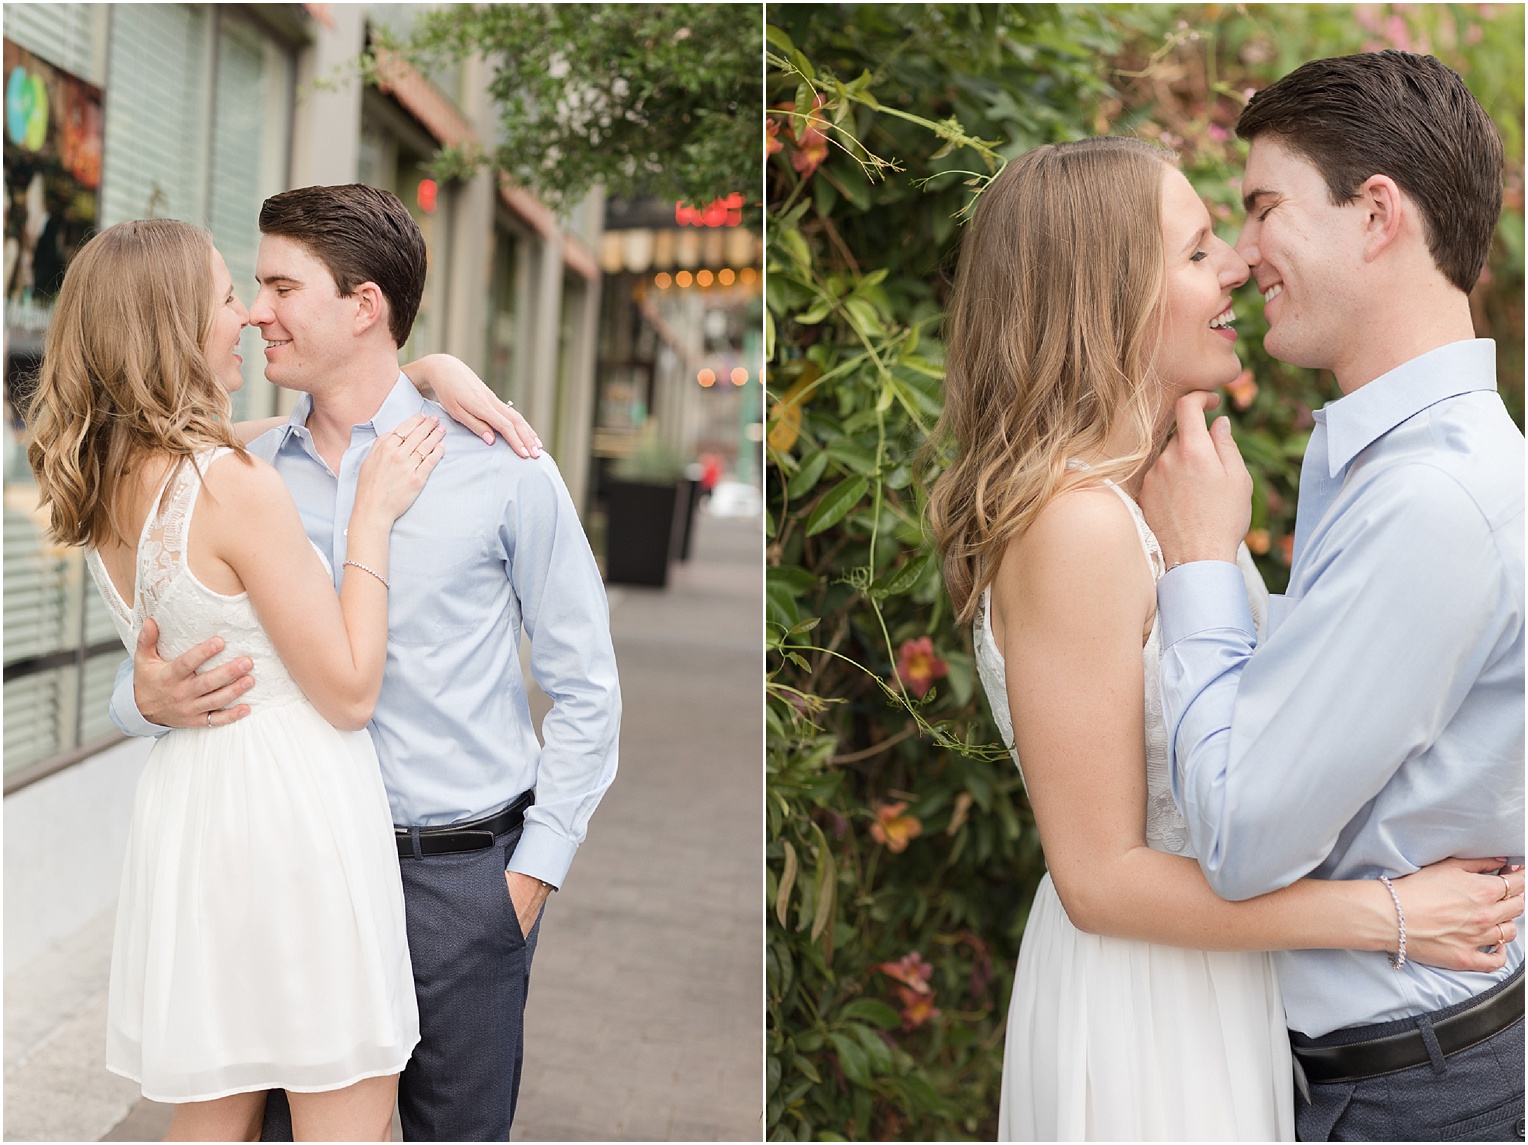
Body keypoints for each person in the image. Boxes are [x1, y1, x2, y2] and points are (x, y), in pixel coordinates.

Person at [925, 135, 1524, 1141]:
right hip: (1146, 1006)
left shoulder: (1161, 498)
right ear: (1105, 293)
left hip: (1220, 987)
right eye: (1200, 250)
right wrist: (1388, 914)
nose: (1237, 266)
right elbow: (1098, 876)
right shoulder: (1075, 526)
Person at [109, 184, 622, 1141]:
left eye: (278, 285)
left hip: (457, 884)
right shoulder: (244, 471)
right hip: (289, 875)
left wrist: (527, 880)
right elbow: (162, 650)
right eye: (249, 287)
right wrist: (143, 699)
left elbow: (588, 685)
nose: (257, 310)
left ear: (363, 305)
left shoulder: (500, 463)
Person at [1139, 51, 1524, 1141]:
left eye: (1263, 208)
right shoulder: (1396, 466)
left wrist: (1206, 565)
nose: (1243, 254)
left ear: (1374, 215)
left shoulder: (1430, 500)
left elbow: (1245, 832)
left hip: (1408, 1090)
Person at [25, 217, 446, 1140]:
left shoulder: (111, 475)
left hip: (197, 810)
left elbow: (274, 431)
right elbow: (346, 689)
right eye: (226, 296)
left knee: (211, 1115)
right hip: (291, 814)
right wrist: (369, 517)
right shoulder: (232, 487)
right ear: (175, 325)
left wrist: (423, 378)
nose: (248, 317)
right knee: (349, 1112)